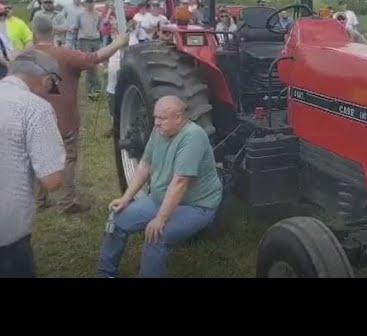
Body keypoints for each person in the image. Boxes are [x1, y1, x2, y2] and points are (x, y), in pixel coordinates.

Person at [97, 96, 223, 278]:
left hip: (196, 206)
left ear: (179, 118)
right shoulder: (160, 131)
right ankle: (105, 274)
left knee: (156, 236)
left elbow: (180, 182)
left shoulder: (193, 136)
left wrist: (161, 219)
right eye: (155, 117)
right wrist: (126, 198)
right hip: (160, 199)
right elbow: (144, 165)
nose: (156, 123)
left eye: (161, 118)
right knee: (116, 219)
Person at [32, 17, 130, 213]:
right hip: (63, 119)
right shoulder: (65, 54)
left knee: (40, 156)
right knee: (68, 157)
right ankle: (67, 201)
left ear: (33, 31)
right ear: (53, 32)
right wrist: (118, 43)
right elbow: (93, 58)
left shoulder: (24, 56)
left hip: (35, 118)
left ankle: (40, 200)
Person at [0, 49, 66, 277]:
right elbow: (52, 180)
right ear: (47, 80)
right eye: (51, 87)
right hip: (7, 234)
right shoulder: (35, 108)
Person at [73, 0, 103, 98]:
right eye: (88, 1)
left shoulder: (99, 14)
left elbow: (100, 27)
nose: (90, 4)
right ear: (85, 3)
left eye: (91, 1)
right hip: (84, 40)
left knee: (95, 65)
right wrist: (76, 44)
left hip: (95, 39)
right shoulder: (80, 14)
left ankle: (95, 87)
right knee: (89, 65)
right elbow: (76, 29)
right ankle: (92, 89)